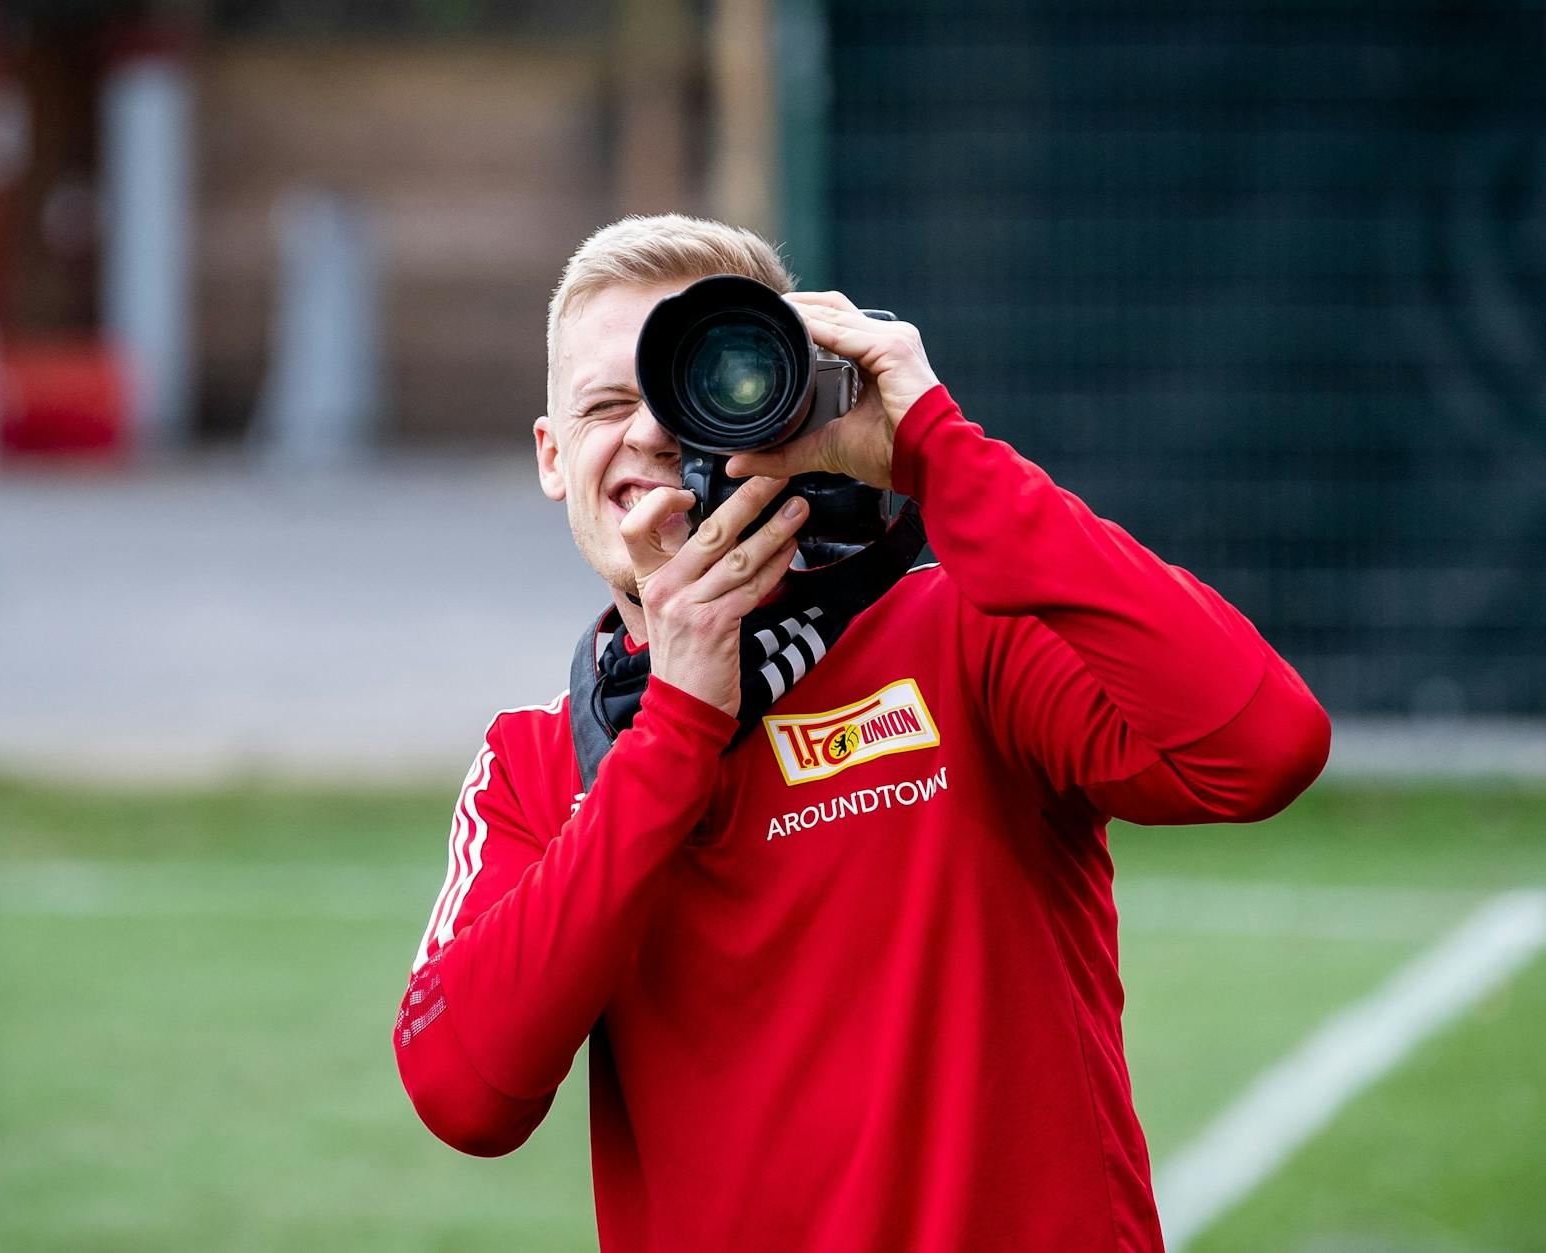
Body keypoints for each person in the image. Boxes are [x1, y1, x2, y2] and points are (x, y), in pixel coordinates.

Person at [392, 214, 1329, 1252]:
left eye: (693, 387)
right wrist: (677, 726)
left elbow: (1260, 747)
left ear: (788, 404)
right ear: (552, 455)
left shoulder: (963, 634)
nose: (652, 431)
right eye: (608, 404)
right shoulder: (532, 761)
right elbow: (463, 1093)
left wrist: (940, 452)